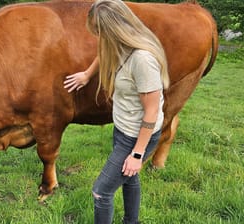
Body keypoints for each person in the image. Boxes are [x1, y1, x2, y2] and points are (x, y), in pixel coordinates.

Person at [64, 0, 170, 223]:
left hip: (137, 136)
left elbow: (151, 112)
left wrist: (138, 154)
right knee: (130, 178)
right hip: (123, 129)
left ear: (114, 29)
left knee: (101, 192)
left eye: (100, 31)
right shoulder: (118, 44)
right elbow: (104, 51)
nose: (98, 37)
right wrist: (87, 75)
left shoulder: (142, 60)